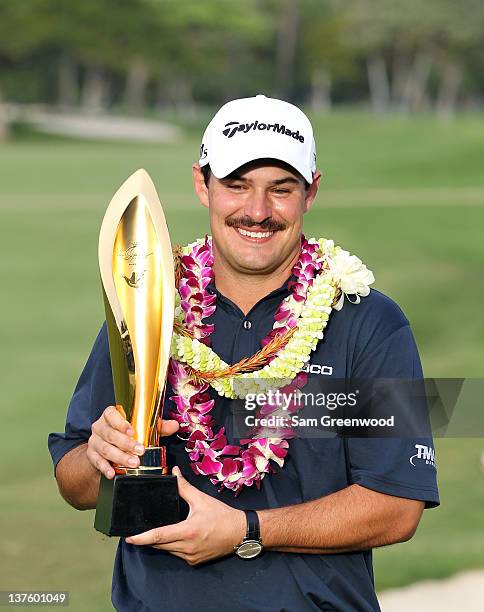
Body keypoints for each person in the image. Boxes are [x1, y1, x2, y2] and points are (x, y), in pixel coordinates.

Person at [48, 94, 439, 612]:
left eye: (281, 189)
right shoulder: (148, 305)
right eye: (237, 185)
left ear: (311, 191)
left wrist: (245, 530)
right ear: (201, 184)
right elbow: (73, 482)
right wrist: (100, 458)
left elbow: (397, 506)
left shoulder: (372, 322)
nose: (258, 212)